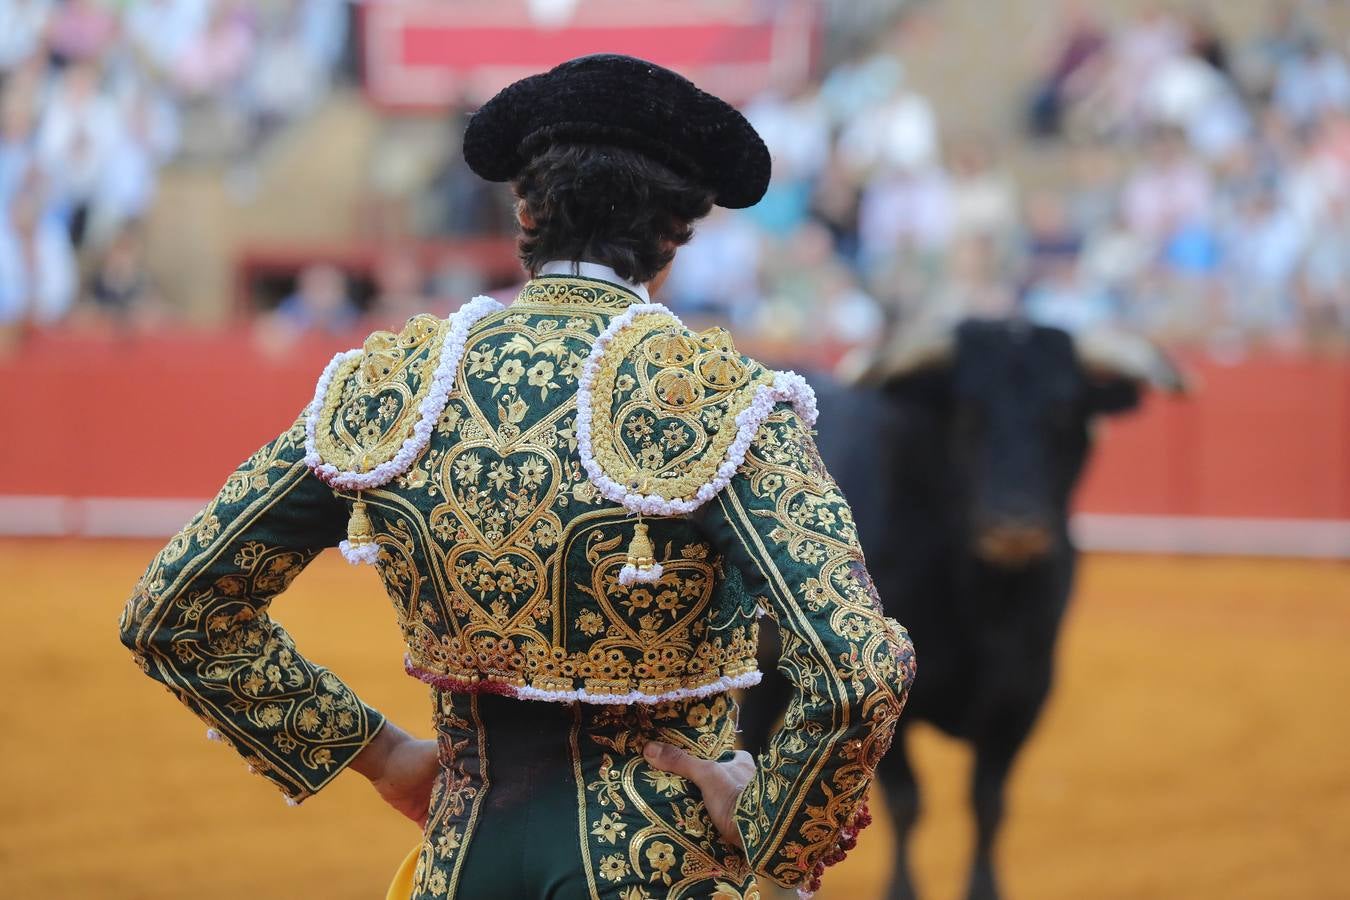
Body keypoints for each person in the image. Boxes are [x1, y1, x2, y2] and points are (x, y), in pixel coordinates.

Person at [119, 54, 915, 899]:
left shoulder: (397, 385)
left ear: (525, 210)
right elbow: (861, 668)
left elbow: (174, 608)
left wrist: (383, 756)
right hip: (660, 863)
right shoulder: (719, 401)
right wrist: (771, 832)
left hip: (463, 862)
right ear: (676, 235)